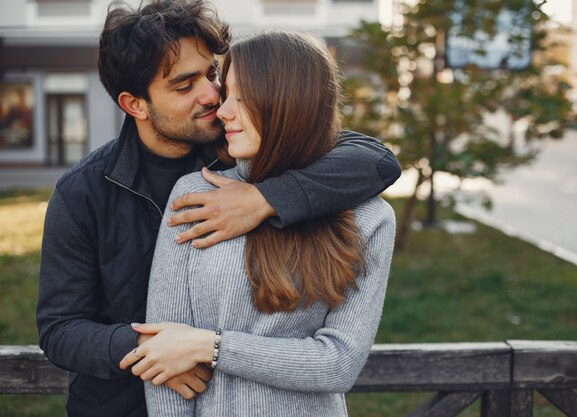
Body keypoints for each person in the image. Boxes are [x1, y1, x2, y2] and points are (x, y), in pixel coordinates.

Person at [36, 1, 400, 417]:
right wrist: (153, 351)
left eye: (211, 73)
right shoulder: (82, 192)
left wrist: (267, 199)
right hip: (118, 404)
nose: (212, 95)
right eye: (184, 84)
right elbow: (60, 328)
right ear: (135, 104)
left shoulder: (238, 152)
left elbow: (376, 159)